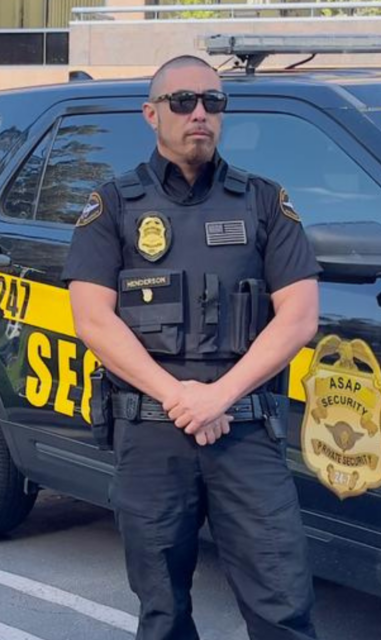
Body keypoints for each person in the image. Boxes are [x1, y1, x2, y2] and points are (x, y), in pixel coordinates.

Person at [62, 55, 321, 640]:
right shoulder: (113, 205)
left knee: (283, 604)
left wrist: (218, 397)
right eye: (183, 102)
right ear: (151, 114)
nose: (199, 113)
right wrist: (178, 396)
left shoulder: (263, 202)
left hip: (246, 430)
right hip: (151, 436)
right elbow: (94, 321)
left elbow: (299, 317)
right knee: (164, 612)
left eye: (212, 102)